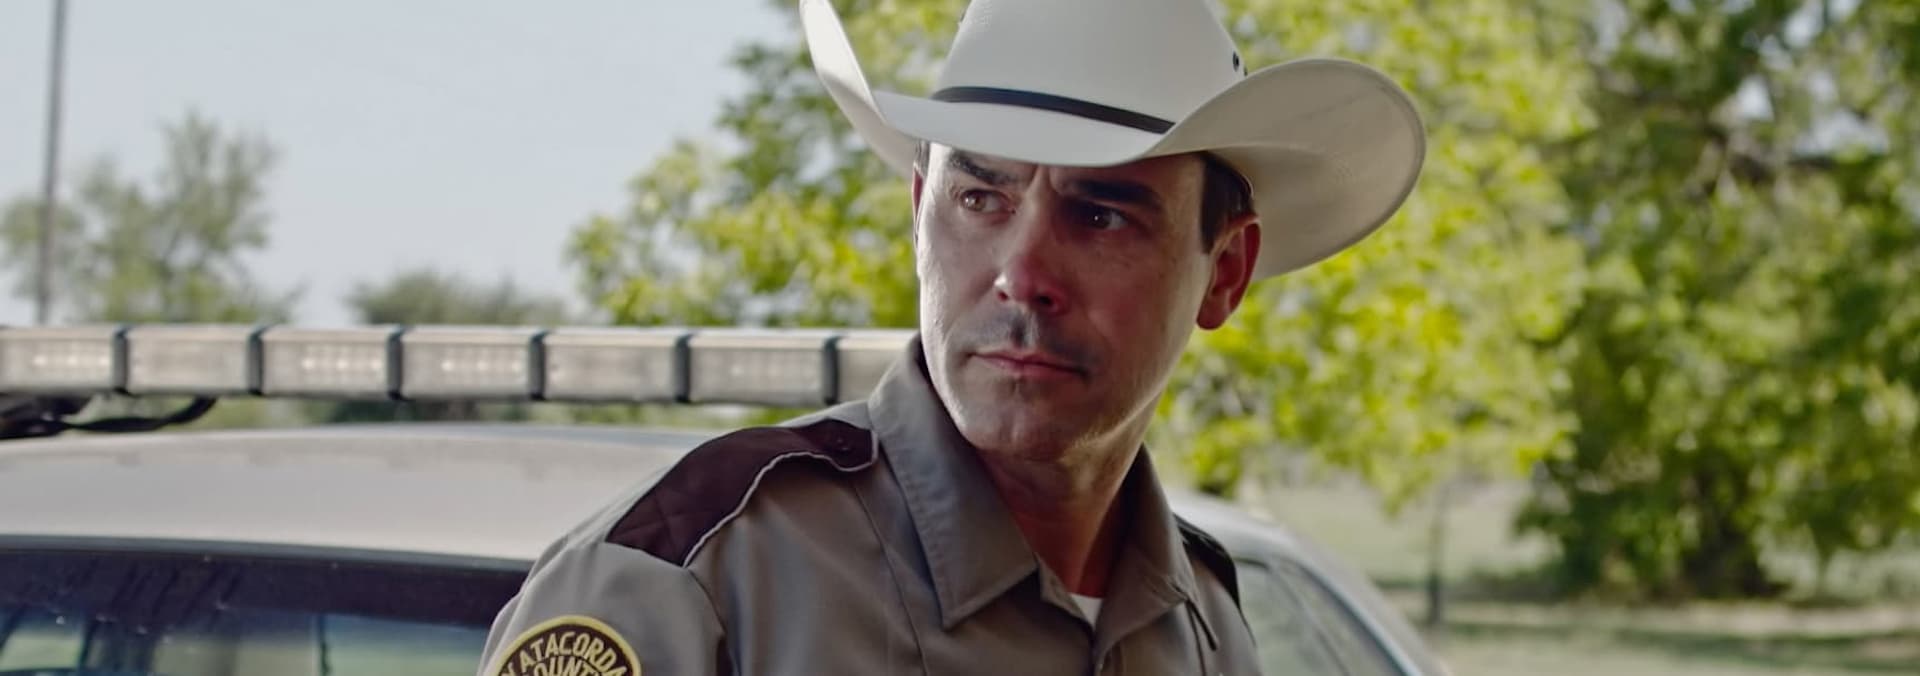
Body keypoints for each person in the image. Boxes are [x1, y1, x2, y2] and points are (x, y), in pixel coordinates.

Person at [476, 0, 1424, 673]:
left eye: (1100, 216)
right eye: (981, 198)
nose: (1023, 271)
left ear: (1225, 271)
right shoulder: (695, 575)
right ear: (920, 209)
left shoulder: (1208, 626)